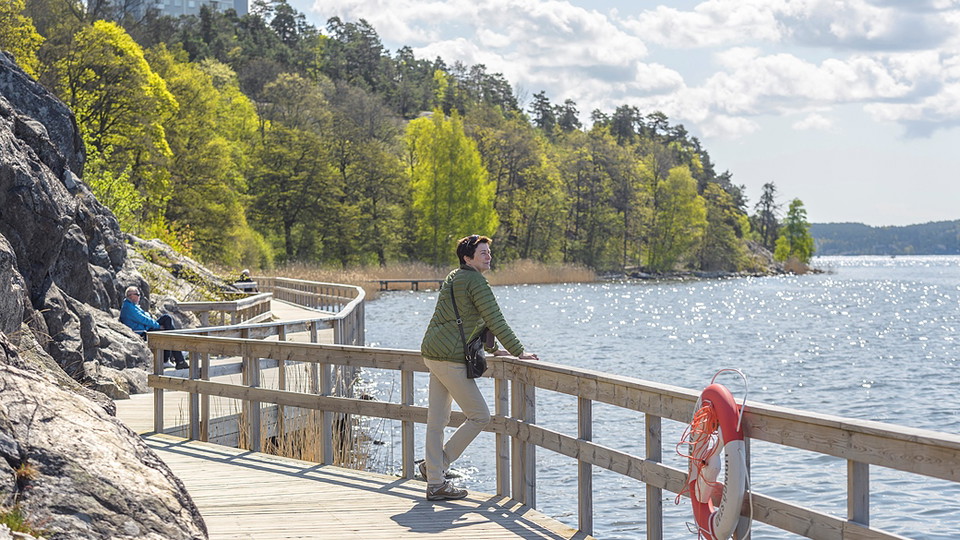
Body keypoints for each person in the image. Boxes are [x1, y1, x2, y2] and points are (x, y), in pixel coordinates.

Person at [419, 234, 538, 501]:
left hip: (432, 351)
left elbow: (470, 321)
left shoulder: (454, 277)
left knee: (436, 421)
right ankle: (436, 469)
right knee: (480, 416)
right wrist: (520, 352)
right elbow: (495, 319)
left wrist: (495, 349)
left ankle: (435, 480)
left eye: (488, 252)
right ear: (468, 258)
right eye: (482, 253)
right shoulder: (476, 282)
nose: (488, 256)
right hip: (449, 357)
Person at [119, 286, 187, 370]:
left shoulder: (132, 305)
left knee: (167, 319)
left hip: (145, 329)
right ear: (130, 295)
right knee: (166, 328)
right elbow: (143, 319)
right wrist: (158, 326)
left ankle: (176, 355)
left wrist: (155, 324)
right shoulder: (128, 307)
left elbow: (146, 317)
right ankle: (176, 356)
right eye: (137, 294)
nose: (139, 296)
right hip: (141, 332)